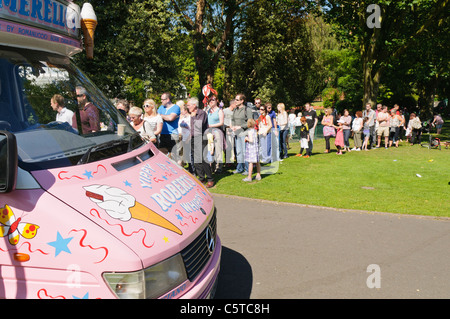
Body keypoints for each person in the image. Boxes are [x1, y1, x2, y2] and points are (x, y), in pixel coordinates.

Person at [186, 97, 214, 188]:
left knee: (203, 159)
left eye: (189, 105)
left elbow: (199, 126)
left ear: (194, 105)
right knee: (196, 159)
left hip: (201, 137)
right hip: (192, 138)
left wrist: (192, 117)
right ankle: (201, 177)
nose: (187, 107)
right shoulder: (188, 115)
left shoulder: (201, 113)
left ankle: (210, 179)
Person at [231, 93, 253, 175]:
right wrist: (233, 127)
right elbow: (233, 119)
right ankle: (239, 168)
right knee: (239, 152)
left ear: (242, 101)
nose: (235, 101)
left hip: (245, 133)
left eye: (237, 100)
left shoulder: (247, 110)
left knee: (245, 152)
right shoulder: (235, 110)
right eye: (235, 99)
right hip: (237, 134)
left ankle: (248, 169)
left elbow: (250, 122)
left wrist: (240, 126)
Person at [206, 93, 225, 173]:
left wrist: (210, 125)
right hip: (209, 132)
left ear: (217, 101)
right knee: (210, 149)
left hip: (217, 131)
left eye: (213, 100)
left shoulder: (219, 111)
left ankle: (219, 167)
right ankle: (211, 166)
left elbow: (221, 123)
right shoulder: (208, 111)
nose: (211, 102)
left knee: (218, 149)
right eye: (210, 100)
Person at [177, 101, 193, 173]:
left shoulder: (190, 117)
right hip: (182, 137)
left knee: (190, 154)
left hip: (188, 137)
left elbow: (190, 128)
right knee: (185, 154)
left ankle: (192, 169)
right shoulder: (181, 117)